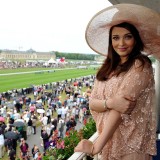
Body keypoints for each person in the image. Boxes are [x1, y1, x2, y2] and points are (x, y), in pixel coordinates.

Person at [75, 3, 160, 160]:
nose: (121, 43)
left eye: (128, 37)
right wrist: (110, 102)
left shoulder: (140, 65)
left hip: (131, 146)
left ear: (135, 39)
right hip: (109, 143)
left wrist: (96, 147)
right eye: (116, 38)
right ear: (111, 40)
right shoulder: (107, 67)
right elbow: (92, 102)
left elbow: (122, 109)